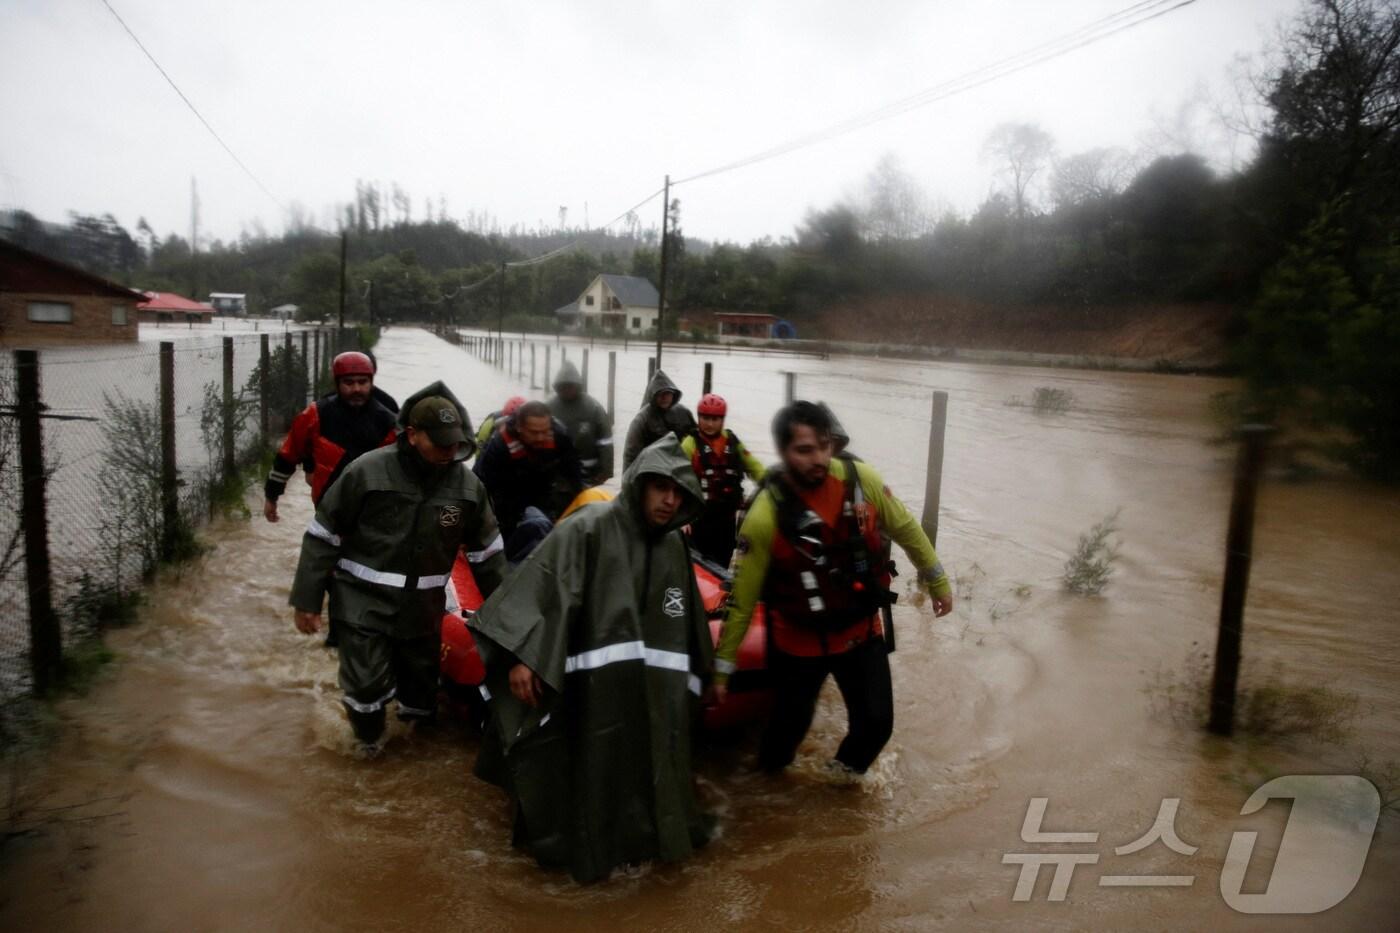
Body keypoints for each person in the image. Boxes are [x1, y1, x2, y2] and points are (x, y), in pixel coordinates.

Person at [468, 435, 713, 883]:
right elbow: (542, 586)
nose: (669, 500)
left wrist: (708, 675)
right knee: (584, 763)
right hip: (588, 686)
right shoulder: (589, 526)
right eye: (661, 488)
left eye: (678, 492)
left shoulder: (673, 545)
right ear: (640, 485)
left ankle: (641, 845)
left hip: (647, 689)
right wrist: (523, 657)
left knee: (645, 766)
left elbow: (690, 620)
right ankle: (572, 850)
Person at [713, 401, 954, 776]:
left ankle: (836, 785)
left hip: (859, 633)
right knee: (784, 738)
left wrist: (937, 580)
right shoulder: (765, 515)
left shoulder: (864, 483)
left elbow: (907, 529)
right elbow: (742, 601)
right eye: (805, 450)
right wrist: (722, 669)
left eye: (825, 446)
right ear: (784, 452)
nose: (819, 459)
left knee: (876, 725)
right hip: (797, 645)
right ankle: (771, 788)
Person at [288, 381, 507, 752]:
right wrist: (307, 600)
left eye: (454, 443)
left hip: (423, 612)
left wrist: (508, 620)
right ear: (413, 435)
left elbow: (488, 555)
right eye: (439, 443)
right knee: (366, 689)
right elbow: (323, 535)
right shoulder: (368, 472)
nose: (449, 451)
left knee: (420, 700)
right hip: (363, 604)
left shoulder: (467, 487)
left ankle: (411, 748)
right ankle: (368, 748)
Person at [263, 351, 397, 523]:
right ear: (337, 383)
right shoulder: (316, 414)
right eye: (348, 383)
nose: (356, 388)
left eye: (362, 382)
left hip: (374, 516)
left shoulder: (389, 420)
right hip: (329, 513)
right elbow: (288, 456)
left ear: (371, 382)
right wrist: (271, 497)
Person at [473, 399, 584, 563]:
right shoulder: (499, 444)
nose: (540, 438)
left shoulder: (559, 435)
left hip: (543, 489)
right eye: (533, 432)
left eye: (544, 432)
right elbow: (481, 485)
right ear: (519, 427)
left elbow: (574, 474)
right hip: (507, 493)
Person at [679, 393, 764, 568]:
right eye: (705, 418)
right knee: (700, 565)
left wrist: (776, 483)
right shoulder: (689, 444)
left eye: (715, 419)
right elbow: (675, 479)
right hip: (699, 520)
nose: (710, 424)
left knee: (723, 563)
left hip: (726, 520)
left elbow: (756, 468)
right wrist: (681, 518)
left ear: (722, 420)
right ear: (698, 418)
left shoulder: (732, 442)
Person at [547, 361, 614, 486]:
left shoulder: (594, 407)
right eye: (563, 386)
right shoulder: (549, 407)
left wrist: (606, 470)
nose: (567, 389)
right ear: (557, 387)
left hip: (589, 475)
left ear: (578, 386)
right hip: (558, 473)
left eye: (570, 386)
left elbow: (606, 441)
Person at [622, 369, 696, 470]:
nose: (664, 397)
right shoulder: (641, 420)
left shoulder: (683, 412)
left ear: (673, 394)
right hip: (652, 469)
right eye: (660, 393)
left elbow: (697, 438)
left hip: (678, 467)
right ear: (653, 396)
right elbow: (630, 455)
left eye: (668, 393)